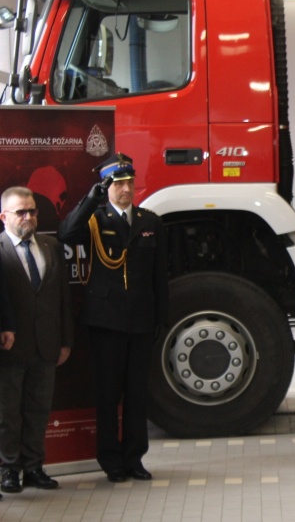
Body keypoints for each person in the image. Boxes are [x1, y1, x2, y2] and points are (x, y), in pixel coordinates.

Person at [57, 153, 168, 483]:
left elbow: (159, 275)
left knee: (137, 393)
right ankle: (110, 461)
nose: (126, 189)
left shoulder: (150, 221)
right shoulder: (96, 219)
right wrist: (92, 198)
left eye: (130, 183)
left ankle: (134, 458)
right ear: (107, 187)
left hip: (141, 320)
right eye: (119, 184)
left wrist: (161, 316)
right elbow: (66, 234)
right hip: (105, 321)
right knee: (108, 394)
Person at [0, 187, 72, 494]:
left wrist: (65, 341)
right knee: (7, 414)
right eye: (21, 212)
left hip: (46, 345)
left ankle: (34, 467)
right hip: (10, 349)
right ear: (4, 217)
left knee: (38, 410)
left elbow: (63, 299)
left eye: (32, 211)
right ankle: (8, 469)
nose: (28, 216)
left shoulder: (51, 245)